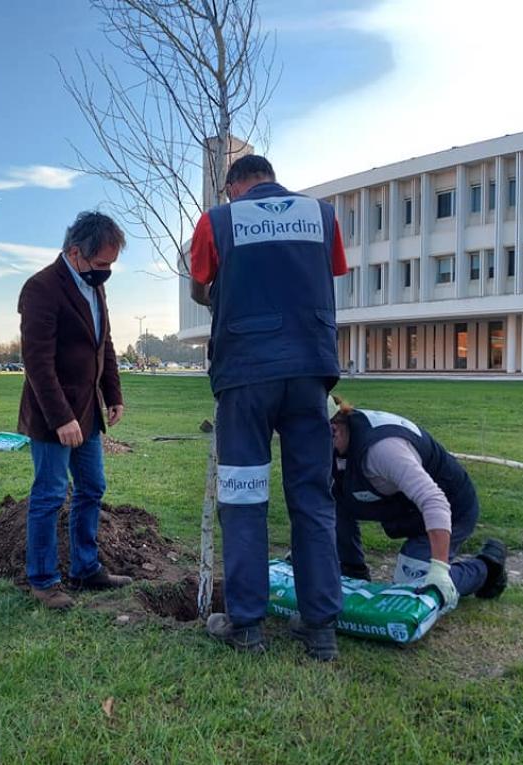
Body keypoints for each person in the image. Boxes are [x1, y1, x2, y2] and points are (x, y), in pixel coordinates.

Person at [189, 154, 348, 660]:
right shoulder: (322, 216)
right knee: (313, 500)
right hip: (309, 374)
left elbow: (200, 284)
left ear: (234, 186)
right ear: (272, 178)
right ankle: (320, 629)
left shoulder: (218, 220)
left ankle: (247, 626)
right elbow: (331, 271)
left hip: (245, 377)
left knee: (243, 498)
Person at [17, 211, 132, 609]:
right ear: (74, 252)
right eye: (101, 264)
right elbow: (37, 362)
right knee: (49, 495)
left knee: (92, 488)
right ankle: (44, 580)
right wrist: (61, 417)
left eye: (111, 266)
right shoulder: (41, 288)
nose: (106, 273)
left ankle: (86, 568)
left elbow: (105, 344)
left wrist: (112, 393)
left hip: (88, 412)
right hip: (55, 415)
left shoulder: (93, 287)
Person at [327, 395, 507, 612]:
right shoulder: (336, 443)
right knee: (328, 497)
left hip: (450, 505)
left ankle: (485, 569)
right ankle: (352, 569)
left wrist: (439, 568)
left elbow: (433, 500)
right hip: (404, 506)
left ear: (334, 429)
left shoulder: (383, 449)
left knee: (415, 588)